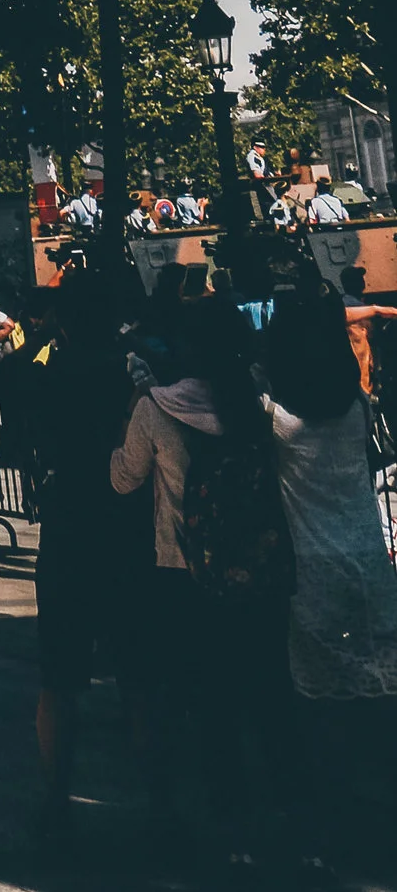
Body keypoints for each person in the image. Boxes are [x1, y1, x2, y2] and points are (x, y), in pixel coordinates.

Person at [110, 285, 288, 834]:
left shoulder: (156, 407)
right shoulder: (258, 403)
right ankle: (280, 809)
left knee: (189, 691)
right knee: (262, 691)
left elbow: (123, 478)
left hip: (180, 565)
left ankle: (202, 811)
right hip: (255, 568)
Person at [2, 267, 142, 814]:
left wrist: (44, 334)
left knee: (59, 678)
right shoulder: (129, 372)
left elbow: (8, 371)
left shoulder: (48, 372)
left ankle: (57, 795)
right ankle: (154, 794)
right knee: (137, 674)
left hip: (66, 524)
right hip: (126, 521)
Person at [259, 278, 397, 702]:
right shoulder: (357, 406)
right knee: (379, 677)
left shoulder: (276, 419)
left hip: (312, 572)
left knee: (325, 698)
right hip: (369, 560)